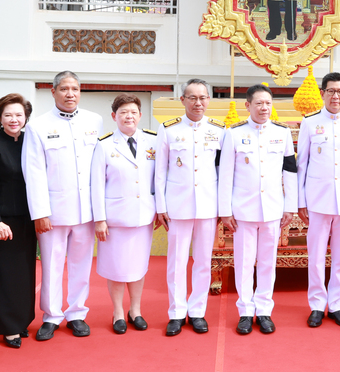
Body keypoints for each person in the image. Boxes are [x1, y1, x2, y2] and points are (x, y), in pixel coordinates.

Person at [22, 71, 103, 341]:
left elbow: (98, 168)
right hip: (54, 212)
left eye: (75, 89)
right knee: (52, 265)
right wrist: (40, 212)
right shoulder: (38, 125)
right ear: (53, 92)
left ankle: (77, 313)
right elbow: (33, 172)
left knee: (81, 265)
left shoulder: (94, 121)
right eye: (65, 89)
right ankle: (52, 315)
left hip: (86, 211)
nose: (70, 94)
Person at [218, 84, 297, 335]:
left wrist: (290, 206)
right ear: (248, 106)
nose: (264, 108)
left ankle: (264, 310)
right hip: (243, 210)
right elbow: (225, 174)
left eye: (268, 104)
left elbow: (290, 172)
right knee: (243, 262)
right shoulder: (233, 134)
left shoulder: (282, 133)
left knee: (267, 262)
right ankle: (245, 311)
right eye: (259, 103)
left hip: (273, 208)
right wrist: (225, 210)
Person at [155, 78, 225, 336]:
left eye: (203, 97)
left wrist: (222, 207)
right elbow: (159, 172)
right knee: (176, 261)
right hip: (178, 206)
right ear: (182, 100)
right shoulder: (169, 129)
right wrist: (160, 205)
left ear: (209, 100)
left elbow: (223, 171)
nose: (198, 102)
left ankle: (197, 311)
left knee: (203, 261)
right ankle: (176, 312)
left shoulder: (219, 130)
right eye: (192, 97)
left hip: (208, 206)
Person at [297, 72, 340, 328]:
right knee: (315, 257)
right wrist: (300, 201)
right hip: (317, 200)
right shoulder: (309, 122)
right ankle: (316, 304)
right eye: (331, 91)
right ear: (323, 93)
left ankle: (336, 304)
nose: (335, 95)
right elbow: (301, 164)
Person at [90, 94, 158, 335]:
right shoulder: (105, 145)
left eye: (133, 112)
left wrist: (160, 209)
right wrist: (99, 219)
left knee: (138, 267)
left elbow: (158, 180)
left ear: (140, 115)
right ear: (114, 116)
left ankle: (136, 311)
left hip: (143, 216)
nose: (128, 116)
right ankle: (118, 311)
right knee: (117, 268)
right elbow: (96, 184)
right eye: (123, 113)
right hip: (115, 219)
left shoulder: (153, 142)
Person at [0, 93, 36, 348]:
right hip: (2, 221)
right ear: (0, 118)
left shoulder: (31, 142)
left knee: (25, 272)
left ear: (26, 118)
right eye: (8, 115)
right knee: (3, 274)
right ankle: (7, 327)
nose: (14, 119)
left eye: (19, 115)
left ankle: (22, 320)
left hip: (28, 218)